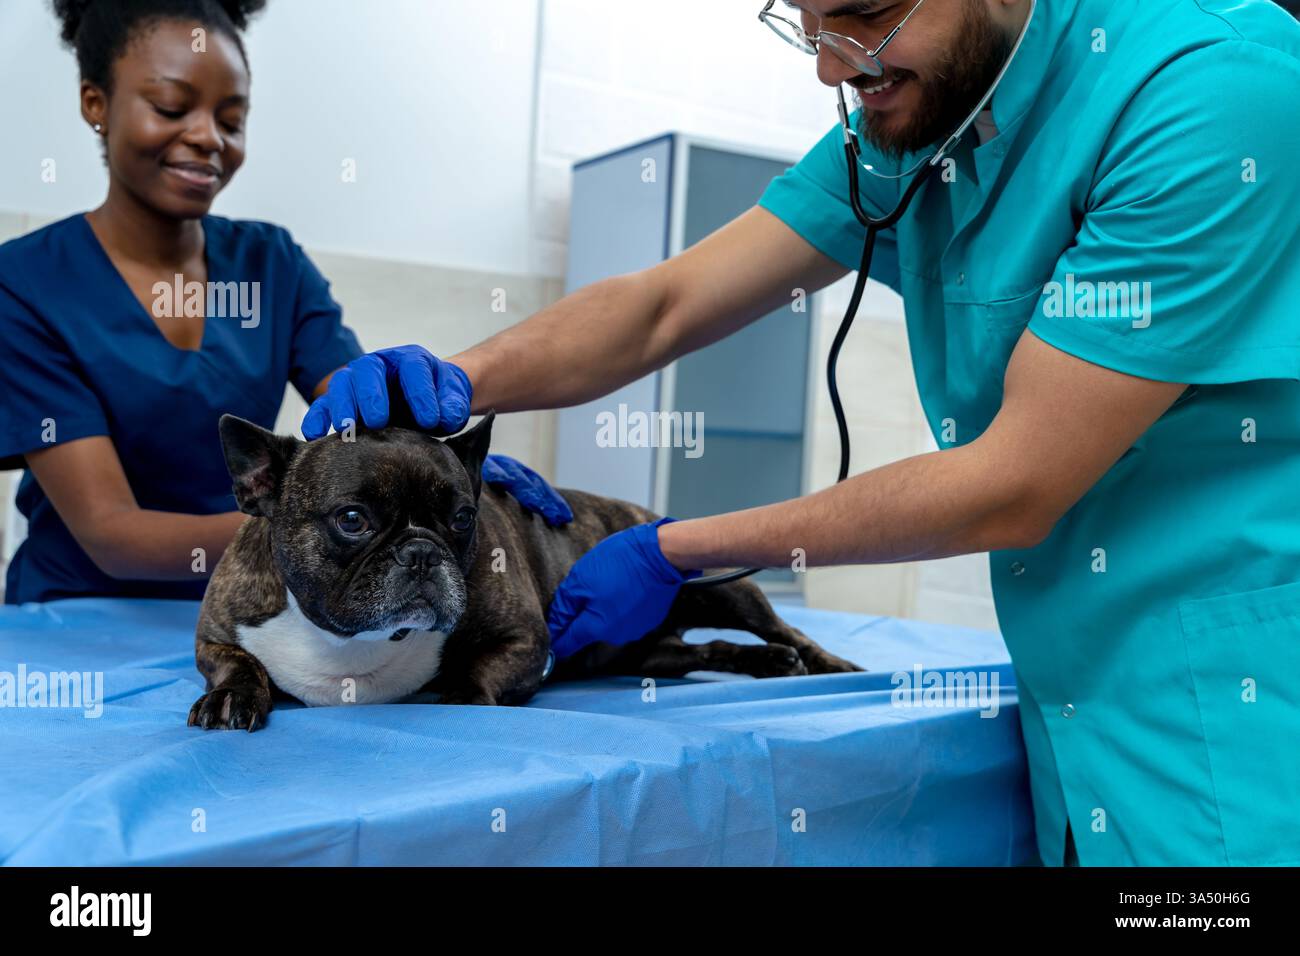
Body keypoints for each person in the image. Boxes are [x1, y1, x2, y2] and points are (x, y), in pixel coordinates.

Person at [308, 0, 1300, 867]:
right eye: (805, 21)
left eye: (865, 13)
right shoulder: (915, 124)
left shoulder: (1207, 90)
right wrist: (454, 378)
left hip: (1231, 726)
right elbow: (664, 305)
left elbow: (1015, 481)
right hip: (1075, 705)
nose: (833, 65)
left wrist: (670, 546)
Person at [0, 0, 566, 605]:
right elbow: (114, 535)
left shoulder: (272, 264)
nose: (207, 137)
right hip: (78, 620)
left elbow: (362, 426)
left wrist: (443, 482)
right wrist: (322, 528)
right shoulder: (27, 282)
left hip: (249, 605)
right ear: (96, 103)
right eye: (171, 107)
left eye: (232, 119)